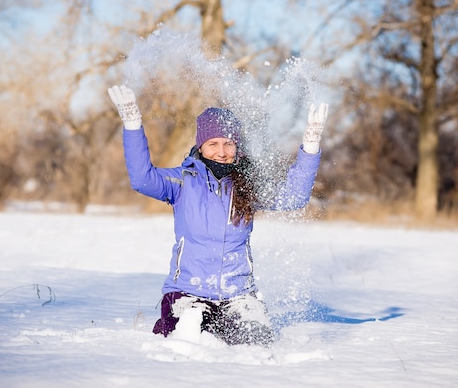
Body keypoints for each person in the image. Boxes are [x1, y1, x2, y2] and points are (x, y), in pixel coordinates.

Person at [107, 84, 328, 346]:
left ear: (237, 147)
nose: (221, 152)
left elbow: (294, 198)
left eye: (228, 144)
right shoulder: (183, 182)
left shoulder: (248, 185)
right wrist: (133, 124)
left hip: (238, 295)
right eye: (213, 144)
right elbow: (143, 179)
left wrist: (311, 146)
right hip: (188, 291)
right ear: (200, 146)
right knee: (187, 340)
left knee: (256, 344)